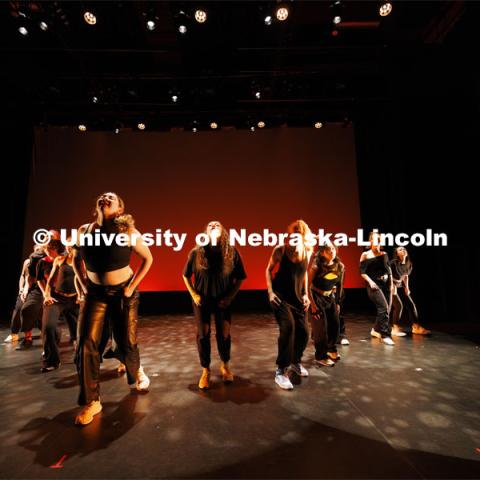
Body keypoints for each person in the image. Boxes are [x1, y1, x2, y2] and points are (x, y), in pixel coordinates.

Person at [72, 192, 153, 425]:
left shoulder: (126, 231)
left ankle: (136, 370)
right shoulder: (84, 231)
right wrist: (83, 283)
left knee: (126, 340)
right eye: (103, 195)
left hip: (122, 292)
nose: (106, 197)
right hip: (94, 294)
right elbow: (76, 259)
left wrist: (131, 288)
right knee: (86, 342)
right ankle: (92, 401)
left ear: (119, 209)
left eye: (113, 197)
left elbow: (148, 259)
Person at [183, 220, 246, 390]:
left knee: (224, 334)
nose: (213, 226)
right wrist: (194, 294)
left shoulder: (231, 252)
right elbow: (186, 276)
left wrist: (230, 297)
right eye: (210, 225)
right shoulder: (196, 252)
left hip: (223, 300)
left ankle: (225, 366)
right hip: (201, 299)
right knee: (203, 334)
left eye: (217, 225)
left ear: (223, 232)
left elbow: (240, 277)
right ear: (205, 232)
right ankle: (205, 370)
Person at [266, 220, 313, 390]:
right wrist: (270, 292)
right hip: (280, 297)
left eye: (299, 233)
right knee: (288, 329)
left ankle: (295, 361)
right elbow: (268, 270)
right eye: (293, 233)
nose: (296, 235)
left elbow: (304, 273)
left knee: (304, 333)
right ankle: (280, 370)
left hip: (298, 299)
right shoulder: (280, 250)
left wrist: (306, 294)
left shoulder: (307, 251)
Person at [41, 242, 81, 372]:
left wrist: (81, 295)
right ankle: (52, 360)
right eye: (69, 245)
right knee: (48, 327)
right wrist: (47, 295)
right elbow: (50, 279)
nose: (70, 248)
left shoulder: (83, 262)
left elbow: (85, 280)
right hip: (57, 298)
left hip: (75, 300)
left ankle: (81, 356)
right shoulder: (59, 260)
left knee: (82, 331)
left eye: (73, 246)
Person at [308, 243, 345, 366]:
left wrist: (338, 302)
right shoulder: (316, 266)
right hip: (316, 298)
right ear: (323, 252)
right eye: (329, 249)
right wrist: (313, 306)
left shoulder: (339, 266)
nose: (332, 251)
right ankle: (320, 356)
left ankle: (331, 349)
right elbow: (307, 287)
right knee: (321, 330)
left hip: (330, 298)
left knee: (335, 325)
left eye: (333, 249)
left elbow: (339, 286)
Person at [360, 231, 395, 346]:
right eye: (374, 240)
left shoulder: (384, 254)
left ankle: (375, 330)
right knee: (384, 308)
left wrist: (391, 284)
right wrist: (370, 282)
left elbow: (388, 270)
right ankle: (384, 335)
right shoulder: (365, 255)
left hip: (386, 285)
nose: (376, 242)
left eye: (378, 240)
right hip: (373, 286)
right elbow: (362, 272)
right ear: (370, 241)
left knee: (387, 310)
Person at [390, 247, 431, 336]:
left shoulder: (409, 264)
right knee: (399, 306)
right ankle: (394, 328)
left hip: (400, 285)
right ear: (397, 254)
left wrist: (407, 287)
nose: (403, 250)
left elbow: (406, 276)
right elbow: (387, 274)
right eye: (400, 249)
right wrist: (392, 285)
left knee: (411, 304)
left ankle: (415, 327)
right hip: (390, 285)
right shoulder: (393, 263)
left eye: (404, 249)